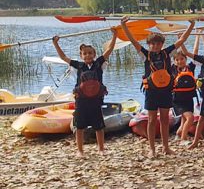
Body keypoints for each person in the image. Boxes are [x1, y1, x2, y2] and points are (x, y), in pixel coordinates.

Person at [121, 16, 195, 158]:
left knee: (165, 120)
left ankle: (166, 147)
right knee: (152, 120)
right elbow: (133, 41)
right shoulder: (145, 55)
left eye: (158, 44)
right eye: (152, 44)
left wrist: (190, 26)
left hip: (165, 92)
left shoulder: (167, 53)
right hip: (152, 92)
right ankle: (152, 149)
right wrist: (124, 26)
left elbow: (181, 40)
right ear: (149, 45)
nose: (155, 46)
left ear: (162, 44)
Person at [52, 29, 117, 157]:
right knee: (79, 127)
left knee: (99, 126)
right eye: (85, 53)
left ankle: (101, 149)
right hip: (81, 101)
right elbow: (63, 57)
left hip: (95, 100)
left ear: (94, 54)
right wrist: (56, 44)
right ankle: (80, 150)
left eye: (90, 53)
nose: (88, 55)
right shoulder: (78, 65)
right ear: (81, 55)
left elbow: (109, 51)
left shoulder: (99, 63)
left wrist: (114, 36)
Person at [170, 50, 197, 144]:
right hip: (178, 100)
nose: (179, 61)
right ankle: (183, 139)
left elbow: (195, 53)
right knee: (190, 118)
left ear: (186, 59)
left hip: (189, 98)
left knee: (184, 119)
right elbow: (166, 55)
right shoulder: (172, 69)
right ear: (174, 61)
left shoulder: (190, 67)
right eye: (177, 60)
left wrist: (198, 36)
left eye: (182, 59)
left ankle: (178, 134)